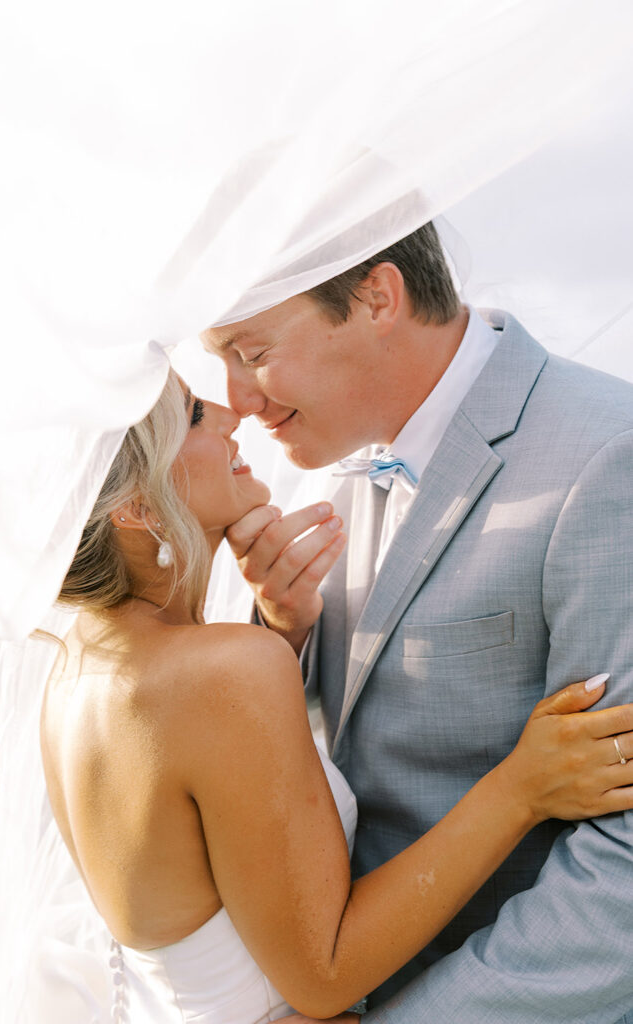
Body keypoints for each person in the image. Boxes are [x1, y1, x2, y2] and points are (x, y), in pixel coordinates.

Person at [0, 366, 621, 1024]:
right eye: (191, 416)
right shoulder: (215, 670)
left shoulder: (81, 665)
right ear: (132, 505)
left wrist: (284, 633)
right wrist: (520, 791)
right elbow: (324, 975)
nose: (228, 414)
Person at [201, 221, 633, 1022]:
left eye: (251, 352)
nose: (236, 400)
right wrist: (284, 633)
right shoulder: (325, 466)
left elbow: (622, 870)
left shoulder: (607, 456)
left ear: (375, 297)